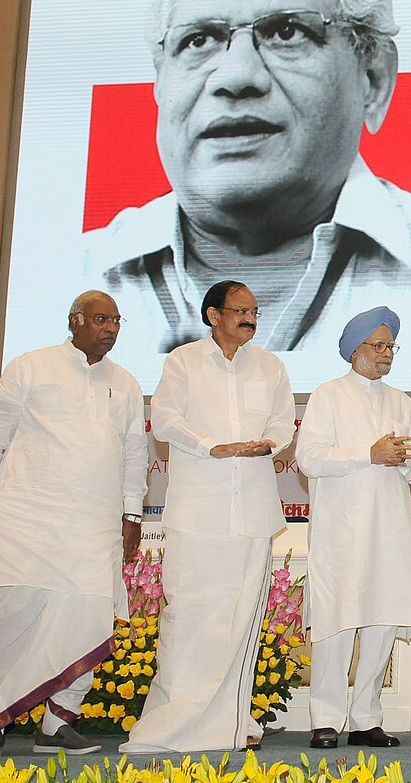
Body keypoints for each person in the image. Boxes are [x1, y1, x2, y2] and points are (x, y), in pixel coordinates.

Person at [83, 0, 411, 355]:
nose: (236, 76)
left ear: (373, 78)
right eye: (198, 40)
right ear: (160, 81)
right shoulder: (73, 272)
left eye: (286, 33)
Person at [0, 291, 147, 759]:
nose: (111, 328)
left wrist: (133, 514)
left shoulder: (124, 383)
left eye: (117, 320)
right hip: (25, 517)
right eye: (102, 319)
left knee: (88, 616)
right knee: (9, 617)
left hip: (92, 524)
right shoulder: (30, 365)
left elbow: (134, 454)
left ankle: (58, 723)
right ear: (75, 320)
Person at [122, 280, 295, 753]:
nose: (250, 318)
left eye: (255, 310)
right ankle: (175, 722)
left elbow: (283, 423)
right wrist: (211, 447)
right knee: (192, 619)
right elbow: (165, 420)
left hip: (254, 514)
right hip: (198, 512)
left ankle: (233, 723)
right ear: (213, 314)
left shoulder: (270, 365)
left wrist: (269, 444)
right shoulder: (183, 361)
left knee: (243, 620)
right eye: (240, 310)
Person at [296, 306, 411, 750]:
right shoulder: (328, 396)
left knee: (380, 621)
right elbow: (309, 458)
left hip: (389, 531)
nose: (386, 353)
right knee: (335, 623)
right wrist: (367, 454)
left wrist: (406, 459)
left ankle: (366, 717)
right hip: (341, 533)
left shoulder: (401, 402)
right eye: (378, 345)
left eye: (390, 345)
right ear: (354, 350)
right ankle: (326, 719)